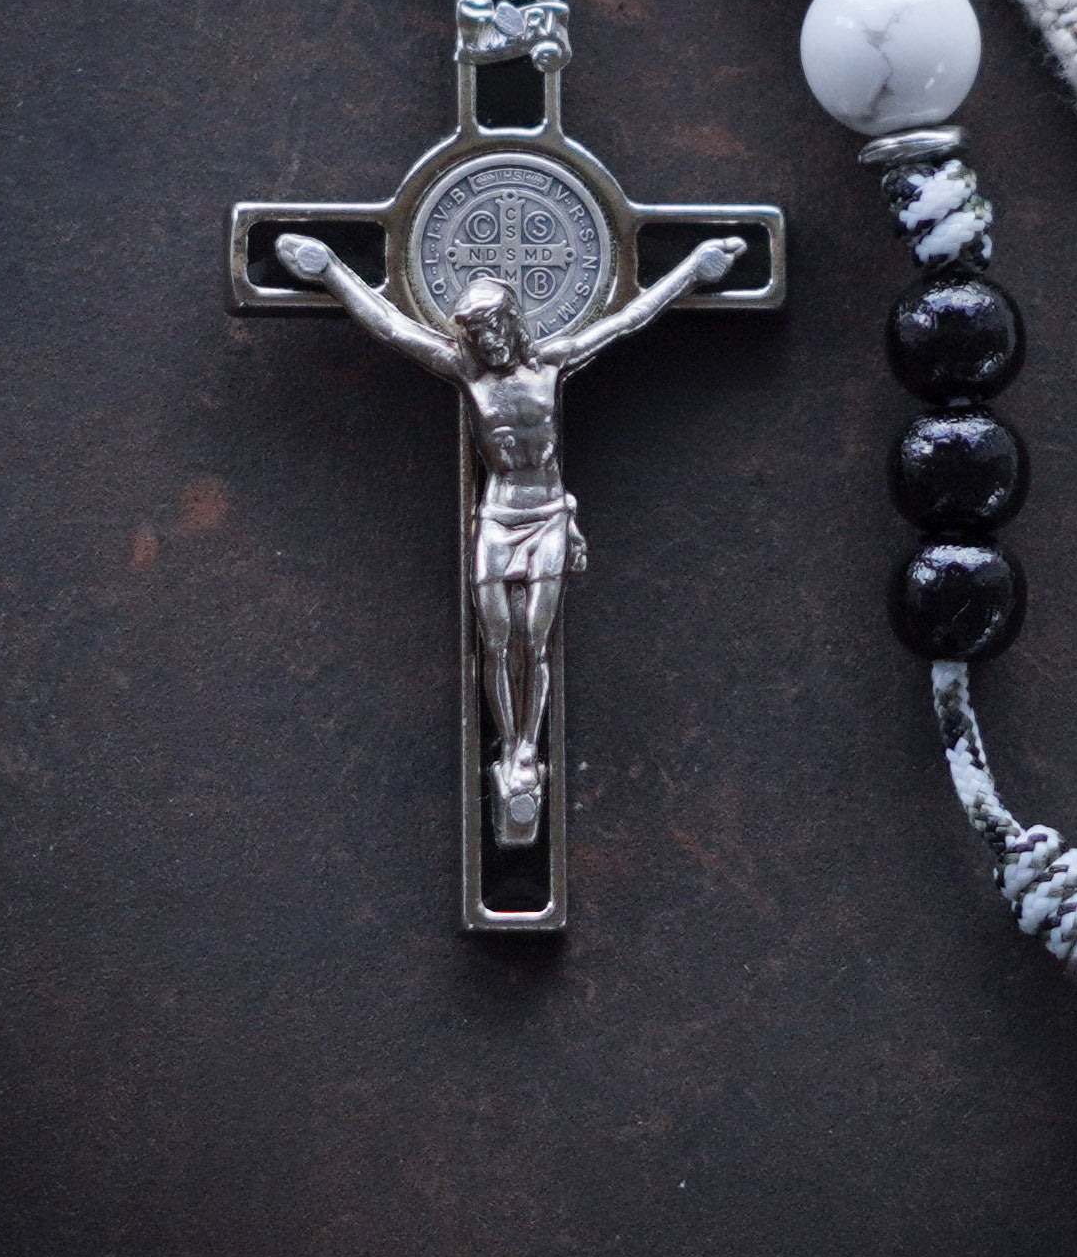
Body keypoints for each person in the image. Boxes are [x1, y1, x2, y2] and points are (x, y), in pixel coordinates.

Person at [276, 228, 745, 845]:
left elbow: (629, 320)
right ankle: (511, 747)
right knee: (496, 640)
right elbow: (391, 327)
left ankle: (526, 749)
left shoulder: (552, 362)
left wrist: (692, 270)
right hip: (498, 518)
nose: (487, 342)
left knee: (534, 638)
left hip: (547, 513)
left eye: (494, 328)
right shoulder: (466, 373)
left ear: (513, 323)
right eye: (476, 335)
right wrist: (330, 270)